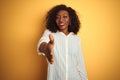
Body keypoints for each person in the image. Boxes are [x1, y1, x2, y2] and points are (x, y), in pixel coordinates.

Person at [37, 4, 88, 80]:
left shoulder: (76, 39)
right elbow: (41, 43)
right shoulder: (49, 33)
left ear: (70, 19)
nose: (61, 20)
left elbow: (80, 64)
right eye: (57, 17)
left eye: (65, 17)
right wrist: (46, 49)